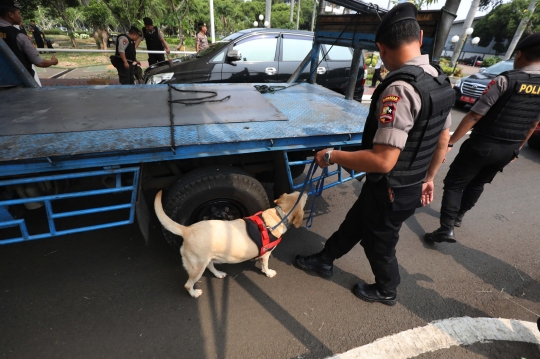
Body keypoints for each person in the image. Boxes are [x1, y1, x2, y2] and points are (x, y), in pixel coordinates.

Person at [294, 2, 455, 306]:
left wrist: (333, 156)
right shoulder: (438, 79)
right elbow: (443, 137)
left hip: (392, 187)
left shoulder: (401, 90)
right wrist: (429, 178)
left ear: (381, 47)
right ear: (420, 37)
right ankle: (325, 259)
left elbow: (383, 160)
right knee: (358, 220)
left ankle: (387, 289)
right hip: (406, 183)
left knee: (378, 241)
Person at [424, 32, 540, 243]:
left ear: (520, 53)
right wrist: (518, 148)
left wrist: (450, 142)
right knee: (478, 184)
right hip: (509, 148)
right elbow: (533, 124)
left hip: (483, 144)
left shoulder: (506, 80)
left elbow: (476, 114)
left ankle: (446, 227)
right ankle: (458, 217)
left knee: (454, 183)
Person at [0, 0, 58, 79]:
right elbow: (39, 63)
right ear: (11, 14)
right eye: (19, 13)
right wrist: (53, 61)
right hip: (19, 82)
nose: (21, 16)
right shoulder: (19, 36)